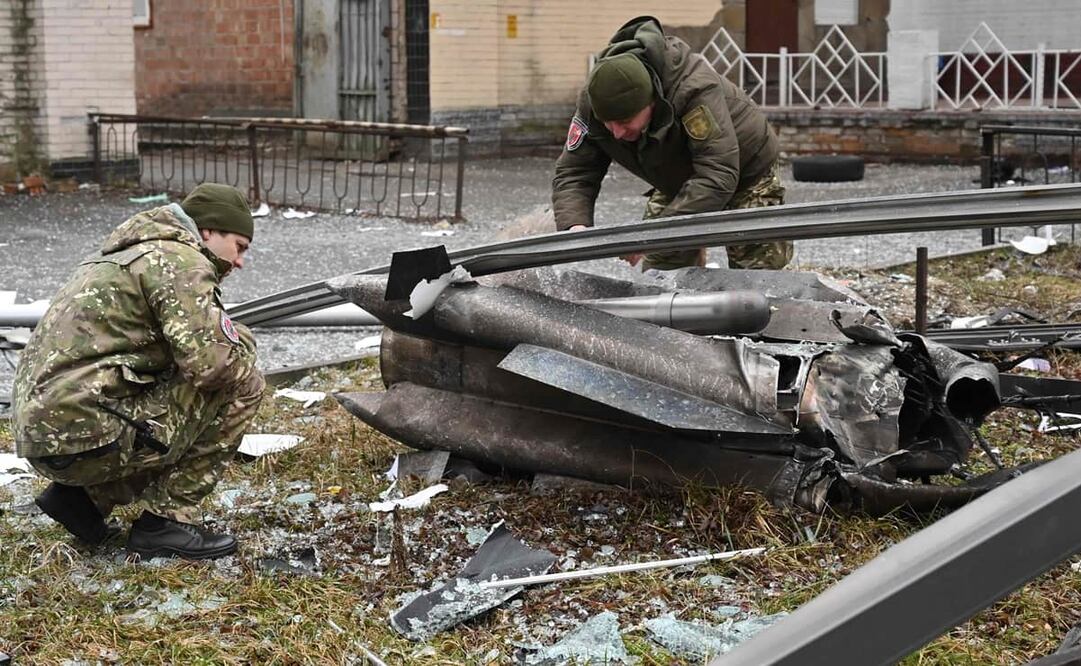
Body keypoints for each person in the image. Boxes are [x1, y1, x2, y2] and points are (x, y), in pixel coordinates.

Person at [12, 183, 265, 560]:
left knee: (176, 386)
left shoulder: (125, 253)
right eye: (239, 247)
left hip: (44, 436)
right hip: (84, 435)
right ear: (208, 231)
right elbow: (213, 367)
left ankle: (84, 500)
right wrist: (242, 343)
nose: (240, 261)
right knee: (243, 384)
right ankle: (168, 522)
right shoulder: (180, 261)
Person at [552, 15, 792, 271]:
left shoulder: (693, 91)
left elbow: (718, 175)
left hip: (746, 171)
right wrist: (575, 227)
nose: (617, 133)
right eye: (608, 123)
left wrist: (651, 236)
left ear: (652, 103)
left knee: (757, 277)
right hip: (677, 178)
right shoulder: (596, 100)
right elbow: (575, 171)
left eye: (624, 122)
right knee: (662, 273)